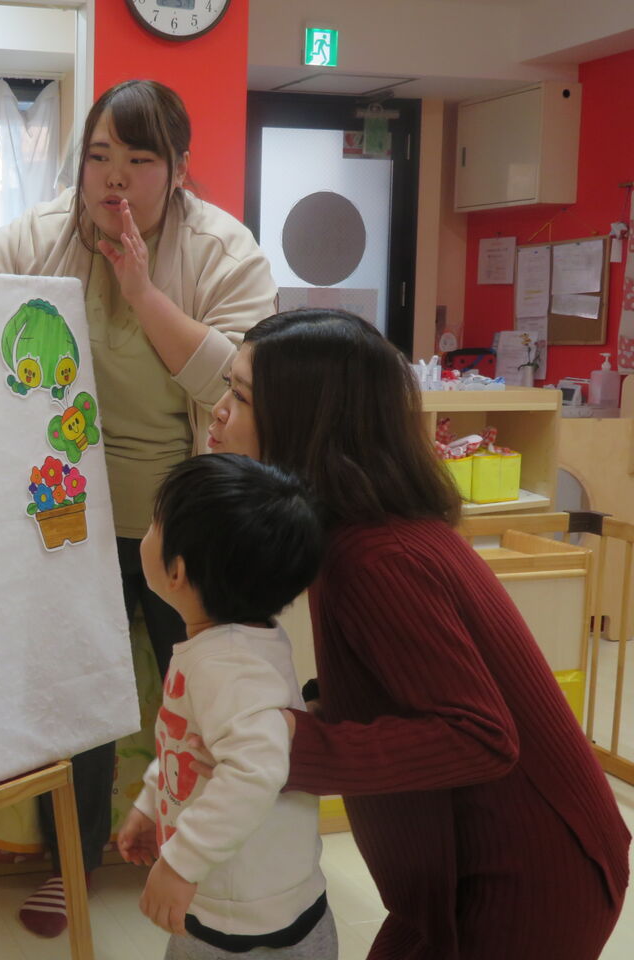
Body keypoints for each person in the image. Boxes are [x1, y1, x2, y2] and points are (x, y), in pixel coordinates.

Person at [0, 79, 278, 937]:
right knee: (79, 689)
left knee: (204, 689)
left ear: (176, 170)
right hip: (71, 508)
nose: (114, 180)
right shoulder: (49, 231)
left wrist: (141, 289)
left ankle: (205, 858)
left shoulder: (221, 249)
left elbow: (240, 379)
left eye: (139, 162)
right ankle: (76, 858)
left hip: (194, 513)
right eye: (99, 157)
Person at [204, 308, 630, 960]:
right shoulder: (357, 531)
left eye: (237, 395)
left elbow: (479, 735)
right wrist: (313, 710)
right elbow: (404, 687)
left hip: (533, 875)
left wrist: (296, 748)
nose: (216, 411)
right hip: (465, 869)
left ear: (303, 420)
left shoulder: (376, 557)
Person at [116, 453, 335, 960]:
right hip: (239, 894)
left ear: (177, 571)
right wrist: (153, 802)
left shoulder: (225, 666)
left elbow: (256, 769)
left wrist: (179, 864)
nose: (146, 532)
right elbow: (189, 745)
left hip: (243, 919)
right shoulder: (237, 640)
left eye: (154, 524)